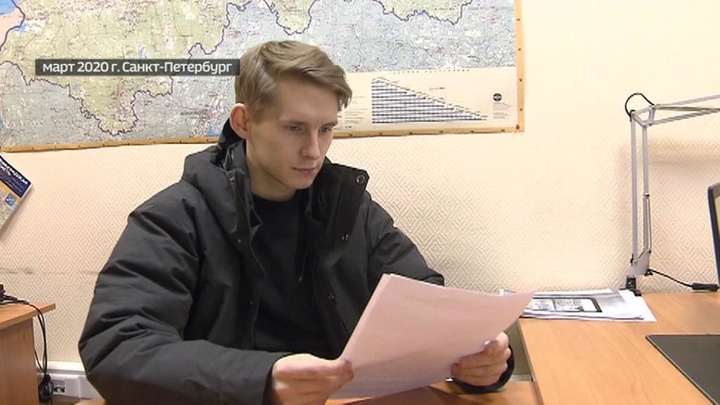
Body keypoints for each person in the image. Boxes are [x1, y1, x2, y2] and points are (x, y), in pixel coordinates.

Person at [78, 40, 514, 405]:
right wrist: (262, 379)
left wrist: (482, 361)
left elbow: (427, 301)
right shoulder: (173, 218)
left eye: (326, 129)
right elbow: (117, 348)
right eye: (294, 129)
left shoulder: (350, 209)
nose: (314, 150)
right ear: (244, 122)